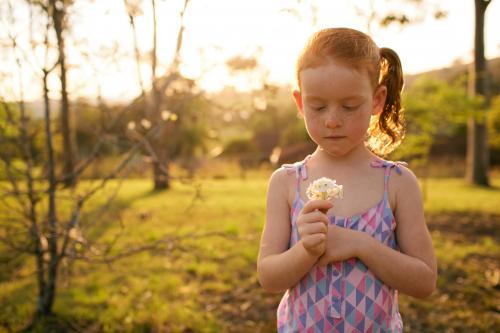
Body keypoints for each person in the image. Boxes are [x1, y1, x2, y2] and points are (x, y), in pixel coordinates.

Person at [257, 27, 437, 332]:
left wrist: (361, 245)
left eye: (349, 106)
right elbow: (269, 278)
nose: (332, 120)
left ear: (376, 100)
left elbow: (424, 281)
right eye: (318, 106)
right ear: (300, 103)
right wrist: (306, 250)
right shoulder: (286, 182)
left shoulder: (396, 182)